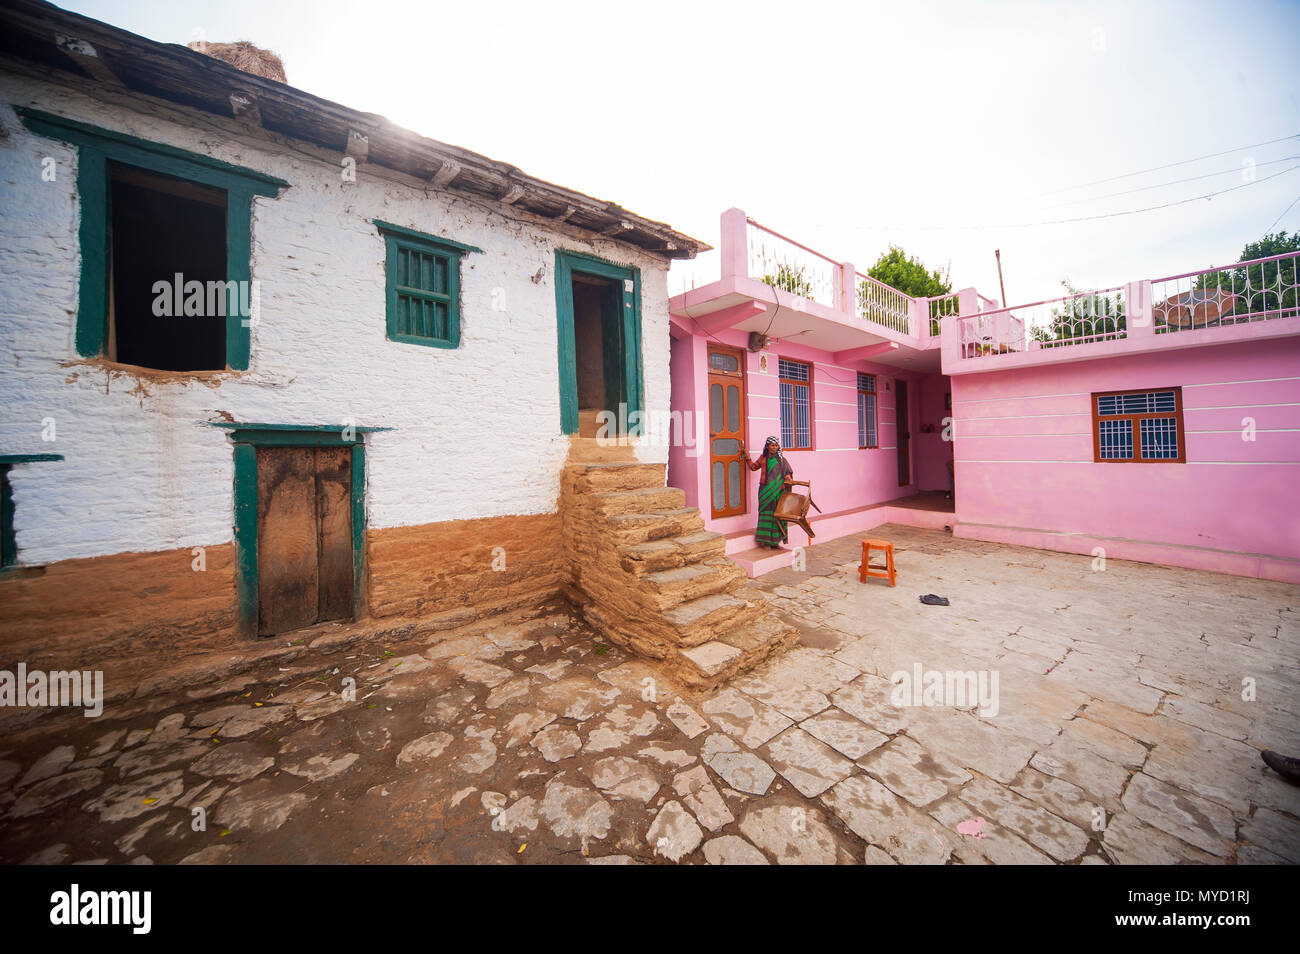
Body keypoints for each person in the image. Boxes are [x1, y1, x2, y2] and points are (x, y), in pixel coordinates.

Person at [746, 435, 793, 549]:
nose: (774, 447)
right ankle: (766, 542)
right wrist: (747, 458)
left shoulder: (782, 460)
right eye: (772, 445)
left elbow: (788, 472)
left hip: (778, 492)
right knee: (765, 515)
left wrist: (788, 478)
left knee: (777, 515)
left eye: (776, 445)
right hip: (764, 492)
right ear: (767, 446)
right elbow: (753, 467)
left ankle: (775, 542)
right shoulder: (763, 458)